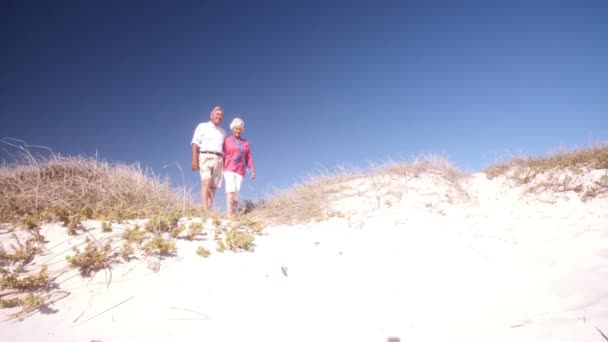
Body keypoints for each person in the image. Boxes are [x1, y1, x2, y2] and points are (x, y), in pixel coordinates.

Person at [191, 106, 227, 210]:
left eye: (221, 115)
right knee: (206, 181)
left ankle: (207, 209)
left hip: (219, 159)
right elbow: (195, 143)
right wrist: (194, 159)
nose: (219, 116)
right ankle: (204, 208)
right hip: (205, 156)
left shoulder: (223, 132)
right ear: (211, 116)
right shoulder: (202, 126)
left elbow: (225, 148)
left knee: (214, 187)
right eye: (217, 114)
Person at [223, 117, 255, 215]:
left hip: (241, 171)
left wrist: (252, 169)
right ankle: (229, 214)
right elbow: (221, 153)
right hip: (229, 168)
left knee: (236, 193)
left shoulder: (245, 143)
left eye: (240, 129)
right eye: (236, 128)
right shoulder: (226, 140)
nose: (238, 131)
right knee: (231, 189)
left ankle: (234, 213)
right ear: (232, 129)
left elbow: (248, 157)